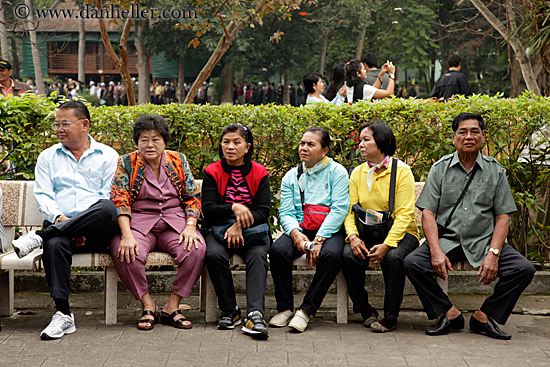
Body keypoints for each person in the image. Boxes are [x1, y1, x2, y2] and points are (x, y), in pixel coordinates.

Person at [404, 112, 535, 340]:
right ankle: (449, 313)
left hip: (483, 240)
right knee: (413, 263)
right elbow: (428, 213)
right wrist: (435, 251)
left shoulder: (495, 171)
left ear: (483, 137)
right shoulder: (440, 168)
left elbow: (503, 216)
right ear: (453, 137)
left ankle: (484, 316)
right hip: (448, 240)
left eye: (475, 132)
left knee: (523, 269)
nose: (469, 137)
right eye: (463, 132)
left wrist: (494, 253)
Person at [11, 100, 119, 340]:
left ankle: (39, 236)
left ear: (84, 124)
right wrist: (64, 222)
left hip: (98, 230)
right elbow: (44, 196)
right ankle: (63, 314)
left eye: (65, 124)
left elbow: (107, 195)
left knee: (108, 207)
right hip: (60, 228)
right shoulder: (48, 157)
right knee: (55, 243)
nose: (58, 129)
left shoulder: (108, 156)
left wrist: (77, 224)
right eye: (56, 124)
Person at [110, 115, 204, 331]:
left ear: (164, 141)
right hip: (139, 223)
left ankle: (172, 306)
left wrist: (191, 225)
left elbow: (192, 196)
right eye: (144, 139)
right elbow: (120, 199)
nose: (150, 145)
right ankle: (147, 304)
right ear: (137, 142)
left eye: (155, 139)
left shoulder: (178, 160)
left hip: (175, 222)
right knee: (125, 252)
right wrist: (126, 234)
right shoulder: (127, 162)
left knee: (196, 249)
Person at [269, 127, 349, 332]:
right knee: (278, 251)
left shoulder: (337, 172)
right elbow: (286, 211)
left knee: (332, 255)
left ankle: (306, 310)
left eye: (310, 144)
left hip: (328, 230)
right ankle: (285, 308)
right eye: (302, 143)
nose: (303, 148)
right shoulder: (291, 176)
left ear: (324, 151)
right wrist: (296, 234)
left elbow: (339, 209)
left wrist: (320, 239)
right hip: (301, 228)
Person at [342, 122, 419, 333]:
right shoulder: (357, 172)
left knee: (393, 258)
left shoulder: (402, 171)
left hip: (401, 233)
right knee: (348, 254)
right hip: (366, 232)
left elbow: (405, 215)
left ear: (382, 142)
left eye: (367, 140)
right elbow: (350, 211)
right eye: (360, 140)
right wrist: (354, 237)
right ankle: (365, 309)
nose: (361, 144)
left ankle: (390, 317)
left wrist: (386, 245)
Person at [202, 123, 271, 339]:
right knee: (213, 254)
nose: (230, 147)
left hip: (251, 229)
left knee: (259, 255)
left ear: (247, 146)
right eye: (226, 142)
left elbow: (263, 211)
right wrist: (234, 207)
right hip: (218, 228)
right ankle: (230, 311)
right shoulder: (212, 171)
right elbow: (209, 210)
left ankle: (255, 314)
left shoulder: (259, 172)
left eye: (236, 142)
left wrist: (239, 224)